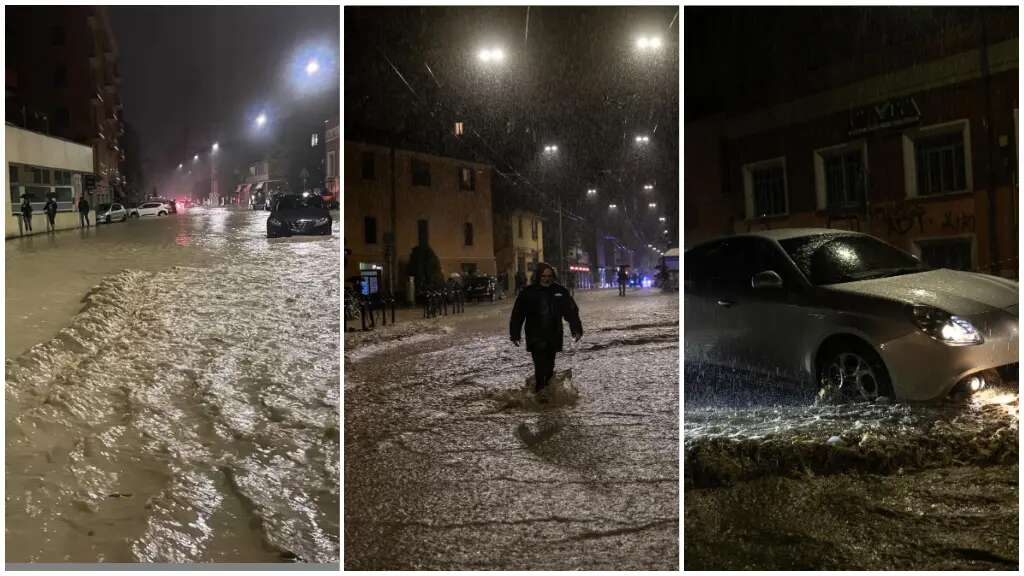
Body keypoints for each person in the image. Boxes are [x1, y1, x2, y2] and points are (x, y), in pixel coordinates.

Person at [509, 262, 583, 398]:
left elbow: (571, 311)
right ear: (538, 276)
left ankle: (547, 392)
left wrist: (576, 329)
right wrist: (515, 334)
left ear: (553, 276)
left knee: (549, 366)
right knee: (539, 366)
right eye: (543, 276)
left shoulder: (560, 291)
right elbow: (517, 314)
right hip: (535, 335)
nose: (546, 279)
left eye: (549, 276)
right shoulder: (528, 293)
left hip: (553, 334)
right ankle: (539, 391)